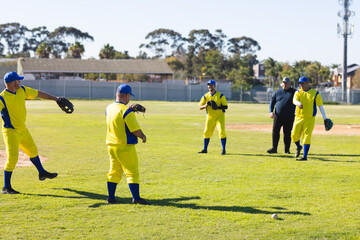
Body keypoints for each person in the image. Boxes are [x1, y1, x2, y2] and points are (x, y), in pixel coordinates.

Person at [1, 72, 59, 194]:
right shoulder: (2, 97)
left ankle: (42, 172)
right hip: (10, 132)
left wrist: (56, 99)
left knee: (33, 151)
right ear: (12, 83)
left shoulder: (22, 90)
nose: (20, 82)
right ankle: (6, 187)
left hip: (23, 129)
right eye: (18, 80)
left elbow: (38, 93)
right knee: (12, 158)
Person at [105, 84, 149, 204]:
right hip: (125, 146)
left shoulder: (109, 108)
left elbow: (116, 117)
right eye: (129, 95)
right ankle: (136, 198)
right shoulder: (127, 111)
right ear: (126, 95)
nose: (130, 98)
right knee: (132, 172)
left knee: (114, 171)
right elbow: (134, 130)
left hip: (111, 145)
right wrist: (143, 136)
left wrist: (127, 108)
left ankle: (111, 197)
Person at [291, 76, 329, 161]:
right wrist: (298, 103)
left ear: (307, 83)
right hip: (298, 117)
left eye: (303, 83)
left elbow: (320, 106)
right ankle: (298, 147)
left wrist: (325, 118)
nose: (301, 85)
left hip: (309, 118)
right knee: (294, 135)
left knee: (307, 137)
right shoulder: (298, 92)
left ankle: (304, 156)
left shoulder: (315, 93)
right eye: (300, 83)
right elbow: (294, 100)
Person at [198, 80, 228, 155]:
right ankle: (205, 149)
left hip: (219, 117)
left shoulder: (220, 95)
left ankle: (223, 150)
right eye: (208, 85)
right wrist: (205, 106)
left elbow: (226, 106)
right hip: (210, 117)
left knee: (221, 132)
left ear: (215, 86)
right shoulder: (205, 96)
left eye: (211, 85)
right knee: (206, 132)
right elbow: (200, 107)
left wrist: (217, 107)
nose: (209, 86)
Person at [267, 77, 296, 154]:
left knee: (287, 133)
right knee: (275, 132)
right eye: (283, 82)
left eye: (286, 83)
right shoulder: (277, 92)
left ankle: (287, 150)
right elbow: (272, 103)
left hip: (289, 116)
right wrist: (271, 111)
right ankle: (274, 148)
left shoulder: (294, 92)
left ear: (289, 84)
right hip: (278, 116)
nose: (285, 84)